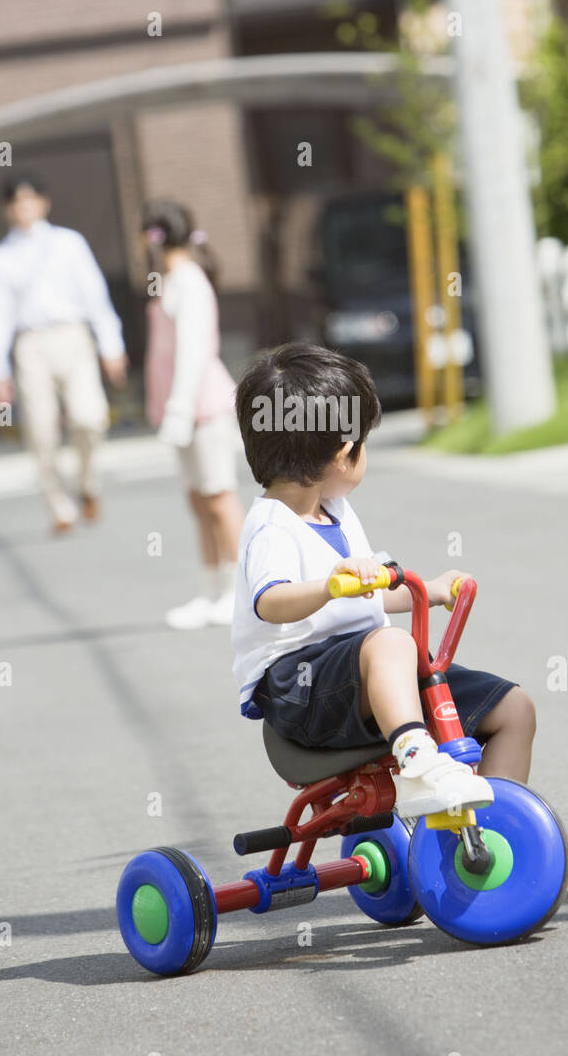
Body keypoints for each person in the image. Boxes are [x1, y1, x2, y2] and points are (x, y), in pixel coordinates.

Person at [230, 342, 539, 818]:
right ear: (344, 452)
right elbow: (271, 602)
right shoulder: (272, 524)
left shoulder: (335, 511)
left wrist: (430, 588)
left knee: (513, 710)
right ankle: (418, 761)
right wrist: (329, 586)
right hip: (300, 689)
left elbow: (371, 589)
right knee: (392, 645)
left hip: (365, 676)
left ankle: (506, 829)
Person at [0, 174, 128, 533]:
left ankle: (88, 483)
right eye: (17, 202)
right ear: (7, 209)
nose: (25, 209)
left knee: (89, 417)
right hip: (30, 345)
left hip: (73, 336)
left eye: (30, 200)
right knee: (41, 430)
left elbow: (95, 295)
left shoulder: (69, 243)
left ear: (43, 202)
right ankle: (59, 506)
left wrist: (111, 344)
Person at [144, 198, 245, 628]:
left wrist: (180, 408)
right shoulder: (171, 281)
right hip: (183, 408)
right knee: (199, 500)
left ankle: (243, 592)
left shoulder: (189, 282)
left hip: (203, 407)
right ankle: (212, 590)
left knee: (219, 497)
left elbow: (193, 351)